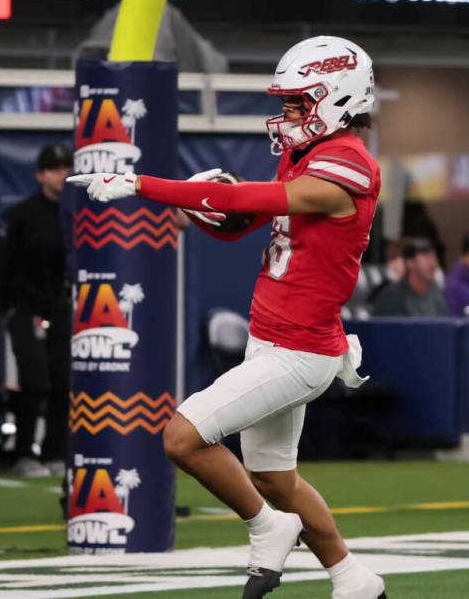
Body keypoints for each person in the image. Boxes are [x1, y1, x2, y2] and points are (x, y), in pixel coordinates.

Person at [68, 35, 386, 599]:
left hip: (300, 350)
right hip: (273, 340)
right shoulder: (304, 153)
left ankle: (267, 526)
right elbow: (240, 221)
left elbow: (249, 203)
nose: (287, 115)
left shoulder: (349, 163)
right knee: (273, 478)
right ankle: (352, 577)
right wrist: (198, 202)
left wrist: (145, 185)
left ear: (337, 98)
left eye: (297, 103)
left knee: (182, 438)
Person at [0, 144, 73, 478]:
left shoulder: (75, 213)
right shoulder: (20, 215)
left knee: (63, 383)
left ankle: (54, 453)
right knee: (34, 383)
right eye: (54, 168)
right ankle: (23, 454)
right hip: (25, 309)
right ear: (40, 175)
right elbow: (0, 267)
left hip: (61, 308)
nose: (62, 174)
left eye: (66, 167)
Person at [371, 237, 448, 317]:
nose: (433, 264)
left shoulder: (436, 294)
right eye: (426, 257)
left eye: (434, 257)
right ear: (410, 262)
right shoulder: (391, 297)